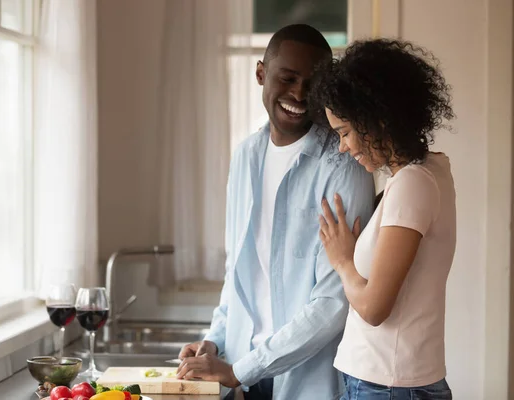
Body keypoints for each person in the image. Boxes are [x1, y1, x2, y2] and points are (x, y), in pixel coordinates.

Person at [175, 24, 375, 400]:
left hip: (308, 385)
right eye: (288, 78)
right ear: (261, 74)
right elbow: (238, 273)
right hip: (243, 380)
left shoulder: (344, 164)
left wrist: (238, 370)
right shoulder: (245, 156)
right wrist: (214, 342)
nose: (299, 94)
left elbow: (334, 302)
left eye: (313, 84)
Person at [313, 39, 456, 400]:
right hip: (388, 383)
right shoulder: (429, 170)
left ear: (375, 119)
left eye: (344, 132)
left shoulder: (413, 184)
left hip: (387, 387)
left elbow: (375, 308)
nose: (343, 147)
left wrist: (343, 261)